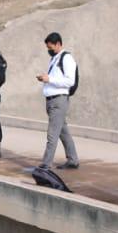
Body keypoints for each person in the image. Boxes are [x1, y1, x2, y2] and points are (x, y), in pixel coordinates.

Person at [36, 32, 80, 170]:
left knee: (52, 134)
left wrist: (50, 79)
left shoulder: (67, 59)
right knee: (63, 132)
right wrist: (45, 78)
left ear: (58, 44)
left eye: (51, 48)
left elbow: (69, 81)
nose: (49, 50)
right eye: (48, 48)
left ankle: (46, 164)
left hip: (59, 100)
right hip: (51, 100)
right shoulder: (55, 59)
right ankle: (73, 160)